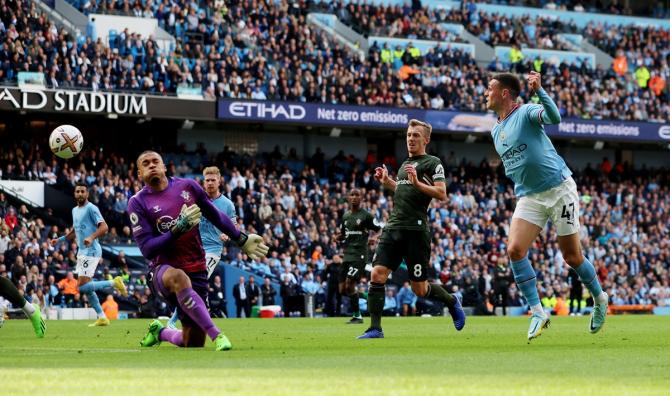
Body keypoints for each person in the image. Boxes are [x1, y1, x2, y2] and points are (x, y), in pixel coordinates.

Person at [485, 72, 608, 341]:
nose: (486, 92)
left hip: (559, 189)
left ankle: (600, 298)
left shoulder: (527, 111)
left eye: (490, 88)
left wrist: (540, 90)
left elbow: (555, 118)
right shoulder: (495, 130)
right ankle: (538, 311)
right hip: (530, 195)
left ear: (505, 93)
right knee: (514, 249)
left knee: (572, 257)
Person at [130, 151, 269, 351]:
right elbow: (147, 249)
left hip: (196, 267)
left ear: (164, 167)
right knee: (179, 278)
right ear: (139, 173)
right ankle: (218, 335)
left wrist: (241, 239)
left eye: (155, 161)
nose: (151, 165)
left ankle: (160, 332)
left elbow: (216, 215)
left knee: (192, 341)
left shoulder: (188, 187)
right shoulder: (138, 202)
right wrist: (176, 231)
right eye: (146, 163)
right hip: (162, 270)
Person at [358, 119, 465, 339]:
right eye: (408, 135)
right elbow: (403, 190)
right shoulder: (404, 165)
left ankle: (452, 301)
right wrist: (387, 181)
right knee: (377, 274)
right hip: (393, 227)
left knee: (420, 289)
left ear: (425, 140)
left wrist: (417, 183)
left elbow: (442, 193)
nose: (410, 139)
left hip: (416, 232)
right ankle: (375, 328)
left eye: (415, 135)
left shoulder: (432, 163)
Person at [167, 166, 236, 329]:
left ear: (219, 181)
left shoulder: (227, 204)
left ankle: (173, 320)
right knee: (187, 284)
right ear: (203, 182)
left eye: (213, 180)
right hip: (193, 248)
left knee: (192, 282)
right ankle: (201, 312)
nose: (210, 183)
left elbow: (233, 225)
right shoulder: (195, 199)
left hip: (212, 250)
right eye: (207, 180)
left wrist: (228, 234)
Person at [50, 182, 127, 326]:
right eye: (77, 191)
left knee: (82, 287)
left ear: (87, 194)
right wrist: (59, 239)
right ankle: (102, 316)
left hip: (91, 250)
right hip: (82, 252)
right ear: (74, 193)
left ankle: (114, 282)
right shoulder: (74, 210)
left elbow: (104, 227)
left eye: (82, 191)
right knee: (87, 288)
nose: (80, 193)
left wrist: (91, 237)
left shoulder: (92, 208)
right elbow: (74, 232)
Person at [336, 188, 381, 324]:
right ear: (348, 198)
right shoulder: (345, 216)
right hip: (347, 255)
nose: (354, 197)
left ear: (361, 198)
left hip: (360, 255)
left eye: (357, 195)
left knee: (350, 283)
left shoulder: (366, 216)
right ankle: (366, 296)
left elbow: (379, 230)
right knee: (343, 290)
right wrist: (339, 237)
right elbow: (344, 234)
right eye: (352, 195)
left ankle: (357, 316)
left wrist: (375, 238)